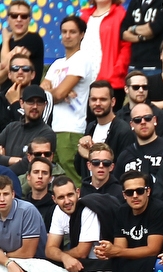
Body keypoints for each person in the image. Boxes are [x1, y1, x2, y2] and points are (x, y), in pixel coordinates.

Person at [95, 170, 163, 272]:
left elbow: (153, 250)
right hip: (133, 268)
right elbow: (120, 249)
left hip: (156, 270)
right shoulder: (122, 212)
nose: (135, 196)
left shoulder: (159, 210)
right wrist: (106, 251)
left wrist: (115, 251)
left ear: (148, 191)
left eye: (139, 191)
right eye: (129, 193)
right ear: (124, 195)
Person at [41, 16, 97, 187]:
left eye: (72, 32)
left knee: (74, 180)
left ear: (81, 35)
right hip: (52, 128)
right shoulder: (57, 63)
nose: (67, 35)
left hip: (72, 130)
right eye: (64, 32)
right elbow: (44, 95)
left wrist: (57, 92)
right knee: (53, 181)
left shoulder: (82, 59)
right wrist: (57, 92)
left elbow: (56, 95)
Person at [80, 0, 131, 107]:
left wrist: (118, 70)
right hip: (84, 79)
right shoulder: (84, 16)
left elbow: (126, 46)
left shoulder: (121, 15)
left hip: (111, 80)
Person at [75, 80, 134, 175]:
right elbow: (80, 169)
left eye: (103, 99)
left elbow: (124, 169)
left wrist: (89, 156)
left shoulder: (123, 131)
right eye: (94, 99)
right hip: (89, 187)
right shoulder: (91, 126)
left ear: (113, 102)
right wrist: (80, 148)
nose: (98, 103)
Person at [115, 102, 163, 191]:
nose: (143, 122)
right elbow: (118, 188)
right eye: (137, 120)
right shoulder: (124, 155)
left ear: (155, 120)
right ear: (131, 125)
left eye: (147, 118)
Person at [45, 176, 104, 272]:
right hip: (78, 264)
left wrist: (61, 255)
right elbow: (49, 250)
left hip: (99, 264)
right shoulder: (58, 210)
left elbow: (82, 252)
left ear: (78, 193)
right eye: (61, 197)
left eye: (70, 195)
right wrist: (64, 257)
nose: (67, 201)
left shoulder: (87, 209)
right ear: (54, 199)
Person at [0, 86, 55, 174]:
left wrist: (3, 162)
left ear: (45, 105)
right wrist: (11, 160)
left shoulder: (47, 133)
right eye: (30, 102)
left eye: (39, 102)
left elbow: (27, 164)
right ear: (21, 103)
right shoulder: (11, 128)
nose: (35, 106)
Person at [0, 175, 45, 272]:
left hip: (37, 269)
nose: (2, 199)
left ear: (13, 195)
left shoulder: (28, 210)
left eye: (5, 194)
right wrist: (7, 262)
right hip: (7, 266)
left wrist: (4, 256)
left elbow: (27, 252)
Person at [1, 53, 51, 133]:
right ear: (9, 74)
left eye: (26, 68)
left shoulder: (44, 96)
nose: (20, 72)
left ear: (33, 74)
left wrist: (15, 104)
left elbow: (36, 129)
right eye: (15, 68)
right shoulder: (1, 98)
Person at [0, 0, 44, 83]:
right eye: (14, 15)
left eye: (24, 16)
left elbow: (5, 64)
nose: (19, 19)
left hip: (26, 94)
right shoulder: (3, 45)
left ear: (29, 19)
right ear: (8, 19)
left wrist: (5, 40)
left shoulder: (33, 39)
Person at [23, 157, 56, 229]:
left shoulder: (56, 207)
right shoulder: (22, 206)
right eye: (36, 172)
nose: (40, 176)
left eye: (44, 173)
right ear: (28, 176)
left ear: (50, 178)